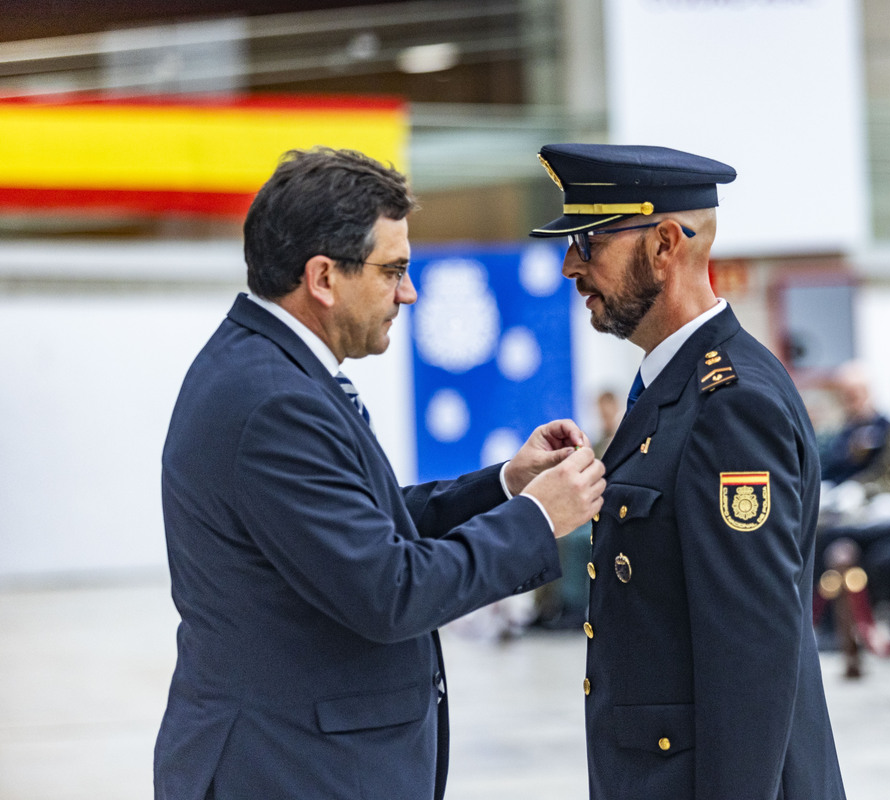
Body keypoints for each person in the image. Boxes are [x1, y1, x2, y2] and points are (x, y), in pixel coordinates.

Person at [153, 147, 606, 800]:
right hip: (289, 771)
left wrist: (505, 485)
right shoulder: (274, 401)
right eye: (393, 271)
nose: (408, 292)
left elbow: (362, 525)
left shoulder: (268, 371)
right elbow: (389, 589)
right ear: (323, 278)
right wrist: (538, 518)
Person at [530, 143, 845, 800]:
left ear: (665, 244)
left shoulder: (732, 406)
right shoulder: (673, 388)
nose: (570, 266)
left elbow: (751, 659)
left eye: (588, 243)